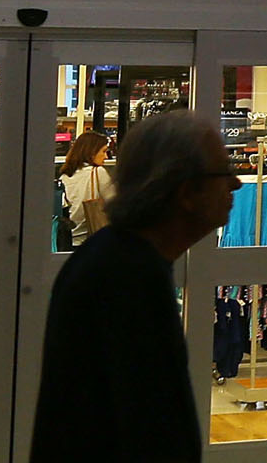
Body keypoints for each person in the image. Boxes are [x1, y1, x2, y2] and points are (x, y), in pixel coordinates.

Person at [31, 110, 241, 462]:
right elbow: (149, 425)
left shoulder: (118, 260)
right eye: (224, 173)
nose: (235, 184)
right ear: (187, 192)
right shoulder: (128, 279)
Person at [58, 130, 114, 245]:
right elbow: (116, 204)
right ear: (91, 152)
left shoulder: (66, 176)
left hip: (68, 239)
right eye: (103, 151)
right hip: (90, 237)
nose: (106, 157)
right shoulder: (98, 172)